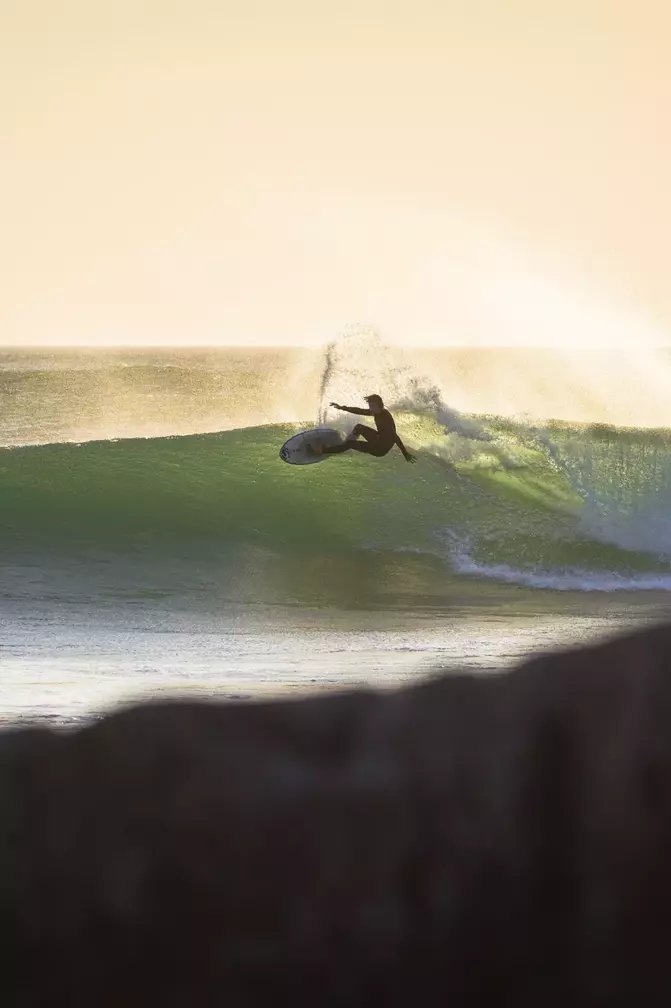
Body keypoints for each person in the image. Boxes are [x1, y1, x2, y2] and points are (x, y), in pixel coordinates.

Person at [309, 394, 416, 462]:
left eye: (373, 407)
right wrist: (342, 407)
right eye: (370, 406)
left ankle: (325, 450)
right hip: (378, 439)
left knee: (351, 444)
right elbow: (360, 411)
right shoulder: (377, 412)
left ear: (380, 406)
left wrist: (405, 453)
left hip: (379, 449)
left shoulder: (385, 418)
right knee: (359, 427)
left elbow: (395, 437)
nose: (370, 409)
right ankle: (344, 445)